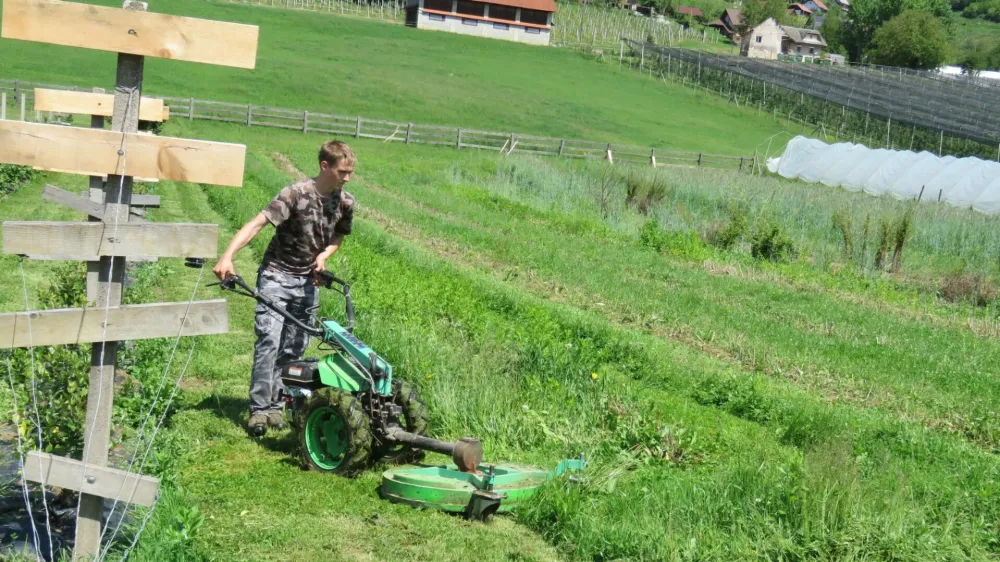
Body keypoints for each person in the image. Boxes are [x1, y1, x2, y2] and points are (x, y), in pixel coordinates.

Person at [213, 141, 356, 436]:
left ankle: (279, 405)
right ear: (325, 166)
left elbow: (338, 236)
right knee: (269, 340)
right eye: (343, 171)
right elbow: (257, 225)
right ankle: (259, 410)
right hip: (277, 275)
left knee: (295, 346)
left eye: (351, 172)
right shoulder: (295, 194)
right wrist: (228, 256)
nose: (347, 178)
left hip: (308, 282)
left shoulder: (345, 203)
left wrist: (323, 256)